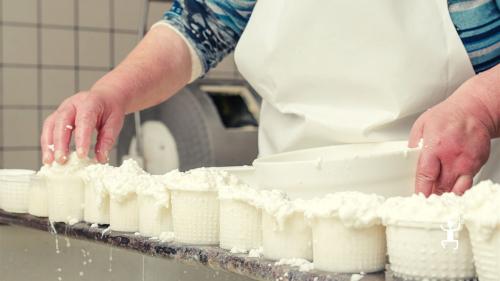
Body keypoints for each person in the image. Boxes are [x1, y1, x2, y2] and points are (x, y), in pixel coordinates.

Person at [41, 0, 499, 196]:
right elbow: (197, 27)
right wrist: (111, 93)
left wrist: (480, 104)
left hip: (443, 209)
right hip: (286, 213)